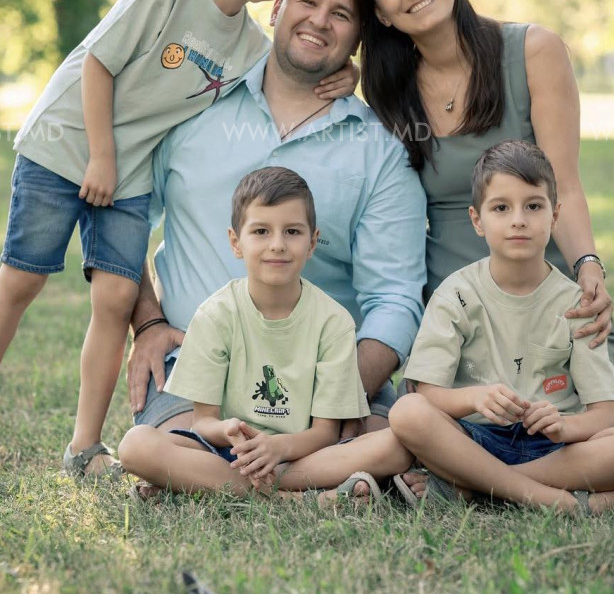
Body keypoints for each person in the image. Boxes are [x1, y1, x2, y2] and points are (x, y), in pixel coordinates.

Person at [0, 0, 353, 482]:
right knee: (22, 278)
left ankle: (84, 447)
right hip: (67, 143)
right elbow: (98, 63)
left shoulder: (250, 46)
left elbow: (292, 65)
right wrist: (100, 158)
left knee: (114, 298)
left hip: (127, 171)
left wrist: (345, 70)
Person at [125, 0, 427, 462]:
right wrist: (148, 322)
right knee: (160, 451)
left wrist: (334, 398)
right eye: (307, 1)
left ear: (358, 39)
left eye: (341, 14)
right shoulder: (194, 105)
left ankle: (285, 469)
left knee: (400, 443)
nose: (319, 21)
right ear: (276, 8)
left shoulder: (380, 150)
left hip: (330, 374)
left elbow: (395, 298)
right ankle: (312, 480)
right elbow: (123, 219)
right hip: (196, 369)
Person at [351, 0, 614, 335]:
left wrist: (587, 266)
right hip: (454, 317)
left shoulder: (534, 52)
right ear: (380, 14)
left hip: (550, 305)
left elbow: (564, 186)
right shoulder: (388, 93)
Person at [389, 141, 614, 515]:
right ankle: (559, 501)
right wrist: (474, 398)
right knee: (407, 412)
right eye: (501, 208)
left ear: (555, 216)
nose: (518, 220)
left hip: (553, 448)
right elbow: (427, 394)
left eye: (533, 206)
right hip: (472, 439)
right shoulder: (455, 294)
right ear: (477, 220)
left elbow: (607, 415)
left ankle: (475, 487)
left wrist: (564, 427)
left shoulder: (577, 304)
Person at [118, 166, 413, 502]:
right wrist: (227, 430)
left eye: (292, 232)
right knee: (136, 446)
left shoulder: (333, 322)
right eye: (261, 231)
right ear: (236, 242)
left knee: (397, 446)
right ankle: (296, 498)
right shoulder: (215, 315)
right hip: (232, 455)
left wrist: (278, 447)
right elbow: (203, 423)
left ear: (312, 242)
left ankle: (217, 485)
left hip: (305, 454)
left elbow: (325, 432)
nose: (277, 245)